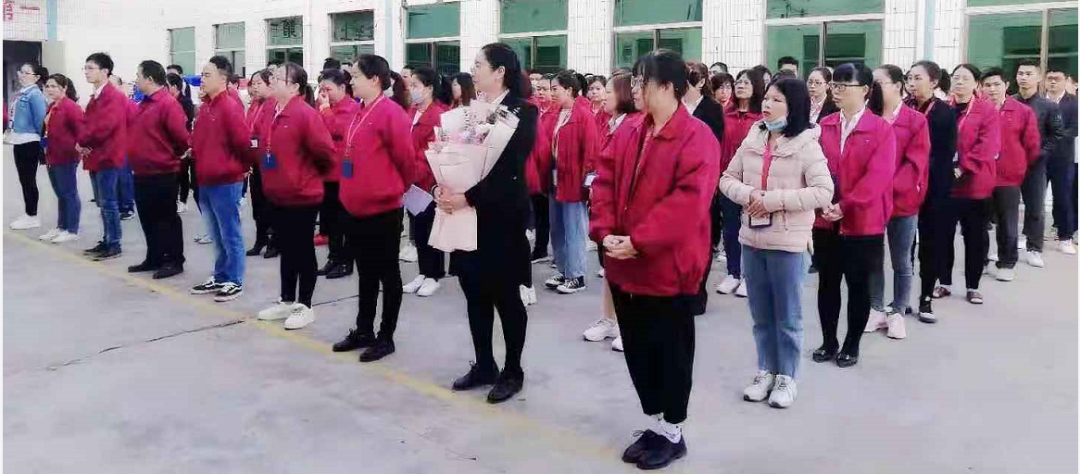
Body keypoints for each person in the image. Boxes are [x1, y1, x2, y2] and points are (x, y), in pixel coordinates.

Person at [590, 49, 720, 470]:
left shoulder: (697, 137)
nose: (635, 88)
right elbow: (604, 180)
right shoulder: (630, 130)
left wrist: (640, 241)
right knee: (639, 349)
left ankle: (673, 431)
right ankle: (657, 422)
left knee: (670, 352)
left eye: (642, 80)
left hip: (667, 268)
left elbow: (687, 204)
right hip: (625, 263)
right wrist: (605, 231)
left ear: (668, 86)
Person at [721, 77, 833, 408]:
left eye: (776, 100)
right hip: (752, 239)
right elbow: (727, 179)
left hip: (788, 243)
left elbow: (823, 191)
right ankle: (766, 370)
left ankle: (787, 376)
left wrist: (773, 201)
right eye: (766, 98)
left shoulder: (806, 143)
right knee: (761, 315)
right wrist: (750, 195)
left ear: (793, 106)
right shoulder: (754, 136)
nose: (767, 105)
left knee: (787, 317)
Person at [439, 43, 536, 404]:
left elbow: (509, 170)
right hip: (468, 218)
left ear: (500, 72)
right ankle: (484, 364)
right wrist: (445, 184)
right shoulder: (470, 112)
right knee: (474, 291)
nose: (473, 70)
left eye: (479, 65)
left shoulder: (523, 111)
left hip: (502, 219)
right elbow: (456, 155)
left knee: (505, 296)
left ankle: (513, 370)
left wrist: (469, 197)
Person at [330, 54, 415, 363]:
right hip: (355, 207)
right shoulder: (359, 110)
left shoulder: (391, 113)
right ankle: (364, 328)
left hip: (382, 209)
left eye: (356, 76)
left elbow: (406, 161)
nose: (350, 81)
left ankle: (385, 335)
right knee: (365, 272)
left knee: (387, 273)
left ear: (375, 79)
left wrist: (393, 189)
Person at [812, 62, 896, 368]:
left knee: (858, 286)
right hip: (825, 218)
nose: (836, 91)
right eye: (834, 85)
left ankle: (852, 343)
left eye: (843, 86)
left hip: (863, 222)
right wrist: (822, 202)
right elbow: (814, 167)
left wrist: (845, 205)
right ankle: (829, 341)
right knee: (828, 283)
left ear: (864, 90)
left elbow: (878, 177)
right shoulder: (824, 125)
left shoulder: (881, 130)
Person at [253, 62, 337, 330]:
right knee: (286, 248)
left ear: (295, 87)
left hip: (302, 195)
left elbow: (325, 153)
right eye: (273, 76)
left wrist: (304, 176)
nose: (273, 80)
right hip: (276, 192)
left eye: (279, 78)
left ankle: (305, 304)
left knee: (302, 250)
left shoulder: (305, 114)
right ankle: (287, 299)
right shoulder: (271, 110)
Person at [864, 65, 930, 339]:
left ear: (897, 86)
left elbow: (915, 163)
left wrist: (884, 187)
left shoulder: (915, 121)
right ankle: (876, 308)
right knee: (873, 258)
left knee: (901, 260)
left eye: (879, 83)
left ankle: (898, 311)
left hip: (902, 201)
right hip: (870, 201)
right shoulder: (867, 118)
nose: (874, 88)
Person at [930, 64, 998, 305]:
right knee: (943, 235)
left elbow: (988, 145)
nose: (959, 82)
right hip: (946, 183)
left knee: (975, 238)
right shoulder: (942, 108)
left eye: (965, 78)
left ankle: (973, 286)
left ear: (976, 84)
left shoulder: (986, 110)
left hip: (975, 184)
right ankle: (944, 282)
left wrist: (962, 167)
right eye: (956, 77)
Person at [582, 72, 639, 352]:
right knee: (609, 266)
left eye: (608, 91)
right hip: (606, 205)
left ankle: (628, 325)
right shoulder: (611, 123)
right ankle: (609, 319)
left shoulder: (633, 126)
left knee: (626, 267)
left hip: (623, 208)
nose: (602, 95)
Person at [189, 55, 252, 302]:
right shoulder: (206, 107)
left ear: (223, 79)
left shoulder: (229, 106)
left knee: (230, 233)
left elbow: (243, 143)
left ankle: (234, 279)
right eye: (202, 75)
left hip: (225, 180)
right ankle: (221, 274)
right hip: (205, 179)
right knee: (216, 234)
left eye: (207, 75)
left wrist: (240, 169)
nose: (202, 80)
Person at [126, 60, 191, 280]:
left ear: (150, 79)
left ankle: (174, 259)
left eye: (138, 75)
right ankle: (154, 256)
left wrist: (170, 155)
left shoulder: (167, 104)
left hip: (162, 172)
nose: (136, 79)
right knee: (147, 217)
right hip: (142, 171)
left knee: (166, 218)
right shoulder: (144, 103)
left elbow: (181, 138)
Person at [905, 60, 958, 322]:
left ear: (934, 82)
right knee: (904, 245)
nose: (912, 84)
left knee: (930, 242)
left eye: (918, 78)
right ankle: (902, 297)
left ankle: (926, 298)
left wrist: (922, 170)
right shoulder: (904, 107)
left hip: (935, 187)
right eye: (909, 78)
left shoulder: (945, 113)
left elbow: (946, 153)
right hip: (905, 185)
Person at [538, 70, 599, 294]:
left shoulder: (583, 115)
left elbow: (591, 152)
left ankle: (577, 274)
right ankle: (564, 270)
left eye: (555, 89)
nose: (552, 93)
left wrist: (587, 183)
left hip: (573, 180)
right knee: (557, 228)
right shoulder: (555, 114)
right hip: (555, 177)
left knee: (574, 228)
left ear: (570, 90)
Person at [980, 67, 1040, 283]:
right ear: (981, 88)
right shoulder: (976, 110)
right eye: (987, 85)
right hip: (979, 176)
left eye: (997, 84)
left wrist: (1018, 167)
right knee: (978, 223)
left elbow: (1032, 145)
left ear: (1006, 85)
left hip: (1008, 177)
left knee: (1007, 223)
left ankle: (1006, 263)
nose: (992, 89)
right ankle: (979, 261)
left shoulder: (1022, 111)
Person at [715, 67, 765, 297]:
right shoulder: (726, 115)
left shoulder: (762, 118)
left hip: (753, 182)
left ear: (756, 87)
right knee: (730, 227)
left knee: (752, 229)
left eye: (746, 82)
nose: (741, 86)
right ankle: (733, 272)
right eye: (738, 82)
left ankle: (749, 277)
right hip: (728, 178)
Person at [403, 66, 451, 297]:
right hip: (411, 183)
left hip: (429, 183)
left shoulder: (438, 115)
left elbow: (432, 151)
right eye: (410, 85)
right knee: (418, 230)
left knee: (432, 229)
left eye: (416, 85)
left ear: (429, 88)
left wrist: (413, 173)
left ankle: (434, 275)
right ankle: (423, 272)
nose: (411, 89)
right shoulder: (411, 112)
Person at [1012, 60, 1065, 267]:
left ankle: (1034, 248)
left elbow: (1056, 135)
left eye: (1028, 73)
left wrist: (1040, 154)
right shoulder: (1009, 103)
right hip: (1009, 166)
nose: (1023, 77)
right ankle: (1007, 248)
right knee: (1006, 208)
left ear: (1039, 77)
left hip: (1035, 164)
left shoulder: (1048, 106)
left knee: (1035, 207)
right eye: (1020, 73)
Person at [684, 61, 725, 316]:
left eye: (689, 79)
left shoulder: (712, 108)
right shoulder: (675, 105)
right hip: (677, 179)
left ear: (701, 82)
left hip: (702, 180)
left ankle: (699, 291)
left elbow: (715, 146)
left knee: (702, 237)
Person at [78, 53, 128, 261]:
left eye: (91, 68)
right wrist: (84, 142)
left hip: (107, 155)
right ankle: (107, 239)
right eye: (85, 68)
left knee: (109, 202)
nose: (86, 72)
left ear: (105, 71)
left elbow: (105, 127)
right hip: (96, 154)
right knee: (103, 202)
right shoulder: (96, 96)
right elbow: (87, 124)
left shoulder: (112, 96)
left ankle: (114, 243)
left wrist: (84, 142)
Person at [314, 68, 359, 279]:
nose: (324, 93)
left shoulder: (351, 108)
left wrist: (324, 110)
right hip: (327, 171)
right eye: (321, 89)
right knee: (330, 220)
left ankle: (346, 262)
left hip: (343, 173)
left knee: (344, 221)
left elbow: (339, 131)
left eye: (328, 89)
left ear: (342, 87)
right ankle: (334, 258)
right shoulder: (326, 107)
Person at [40, 74, 83, 244]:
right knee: (60, 193)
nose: (49, 89)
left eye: (54, 86)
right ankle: (61, 226)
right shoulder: (52, 106)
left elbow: (81, 132)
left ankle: (71, 229)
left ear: (64, 88)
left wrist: (77, 150)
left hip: (66, 156)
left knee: (69, 193)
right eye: (47, 86)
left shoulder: (71, 107)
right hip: (51, 155)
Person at [6, 62, 48, 231]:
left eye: (26, 73)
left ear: (36, 77)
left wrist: (42, 145)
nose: (22, 75)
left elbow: (41, 121)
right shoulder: (22, 93)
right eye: (21, 72)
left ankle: (32, 216)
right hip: (19, 140)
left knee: (29, 180)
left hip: (30, 141)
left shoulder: (35, 95)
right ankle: (28, 213)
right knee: (24, 180)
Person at [244, 69, 279, 258]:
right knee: (257, 201)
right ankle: (261, 238)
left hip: (269, 159)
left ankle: (275, 240)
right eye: (253, 83)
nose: (255, 87)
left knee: (270, 200)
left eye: (259, 83)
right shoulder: (255, 104)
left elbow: (267, 135)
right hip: (255, 160)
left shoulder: (273, 104)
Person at [1044, 65, 1078, 252]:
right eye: (1049, 78)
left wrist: (1052, 138)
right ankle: (1030, 237)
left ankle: (1066, 237)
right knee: (1035, 199)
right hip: (1040, 159)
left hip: (1063, 159)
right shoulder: (1040, 101)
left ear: (1066, 80)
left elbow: (1074, 129)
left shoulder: (1074, 102)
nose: (1052, 82)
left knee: (1063, 198)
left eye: (1057, 78)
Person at [108, 74, 138, 221]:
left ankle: (127, 206)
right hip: (109, 147)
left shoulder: (126, 103)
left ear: (120, 86)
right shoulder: (105, 104)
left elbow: (136, 125)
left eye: (112, 85)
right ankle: (117, 205)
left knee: (123, 177)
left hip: (124, 146)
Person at [168, 73, 197, 215]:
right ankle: (172, 199)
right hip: (169, 143)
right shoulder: (167, 101)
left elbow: (187, 121)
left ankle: (183, 200)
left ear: (174, 86)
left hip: (183, 141)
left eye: (167, 85)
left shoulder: (185, 101)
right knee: (173, 174)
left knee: (183, 173)